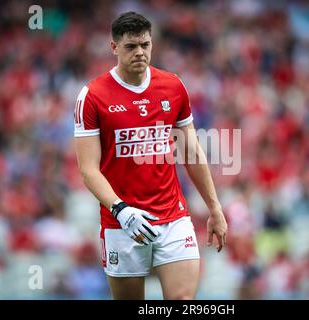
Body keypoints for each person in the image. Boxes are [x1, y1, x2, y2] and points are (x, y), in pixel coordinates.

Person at [73, 11, 227, 300]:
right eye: (131, 46)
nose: (140, 52)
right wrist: (121, 209)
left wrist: (214, 208)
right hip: (122, 223)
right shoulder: (92, 96)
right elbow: (88, 170)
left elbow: (191, 151)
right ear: (114, 48)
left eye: (145, 45)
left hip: (173, 217)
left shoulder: (173, 86)